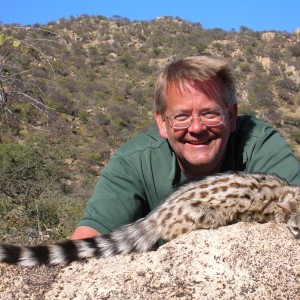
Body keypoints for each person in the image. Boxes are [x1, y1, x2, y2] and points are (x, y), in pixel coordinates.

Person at [70, 56, 300, 240]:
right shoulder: (134, 160)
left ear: (231, 115)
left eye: (210, 113)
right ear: (162, 123)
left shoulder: (258, 141)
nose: (197, 127)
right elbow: (89, 239)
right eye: (181, 116)